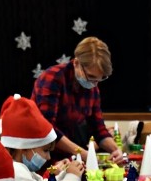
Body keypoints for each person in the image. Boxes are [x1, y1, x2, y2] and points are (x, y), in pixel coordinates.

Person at [31, 36, 124, 164]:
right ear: (76, 63)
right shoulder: (52, 79)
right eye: (91, 77)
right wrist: (83, 153)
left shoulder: (92, 87)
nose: (94, 84)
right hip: (41, 155)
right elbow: (48, 129)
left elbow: (98, 129)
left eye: (99, 79)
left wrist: (115, 150)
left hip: (69, 156)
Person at [0, 94, 84, 181]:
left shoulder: (21, 169)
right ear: (24, 148)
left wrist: (65, 174)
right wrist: (71, 179)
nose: (48, 157)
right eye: (45, 150)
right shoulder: (15, 172)